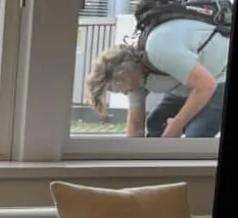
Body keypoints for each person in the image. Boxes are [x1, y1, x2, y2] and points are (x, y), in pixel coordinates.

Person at [85, 16, 229, 138]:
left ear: (124, 75)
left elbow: (207, 85)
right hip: (189, 83)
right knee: (155, 123)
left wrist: (175, 128)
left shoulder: (158, 52)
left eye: (119, 90)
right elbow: (136, 124)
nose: (124, 93)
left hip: (220, 74)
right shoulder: (134, 78)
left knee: (195, 135)